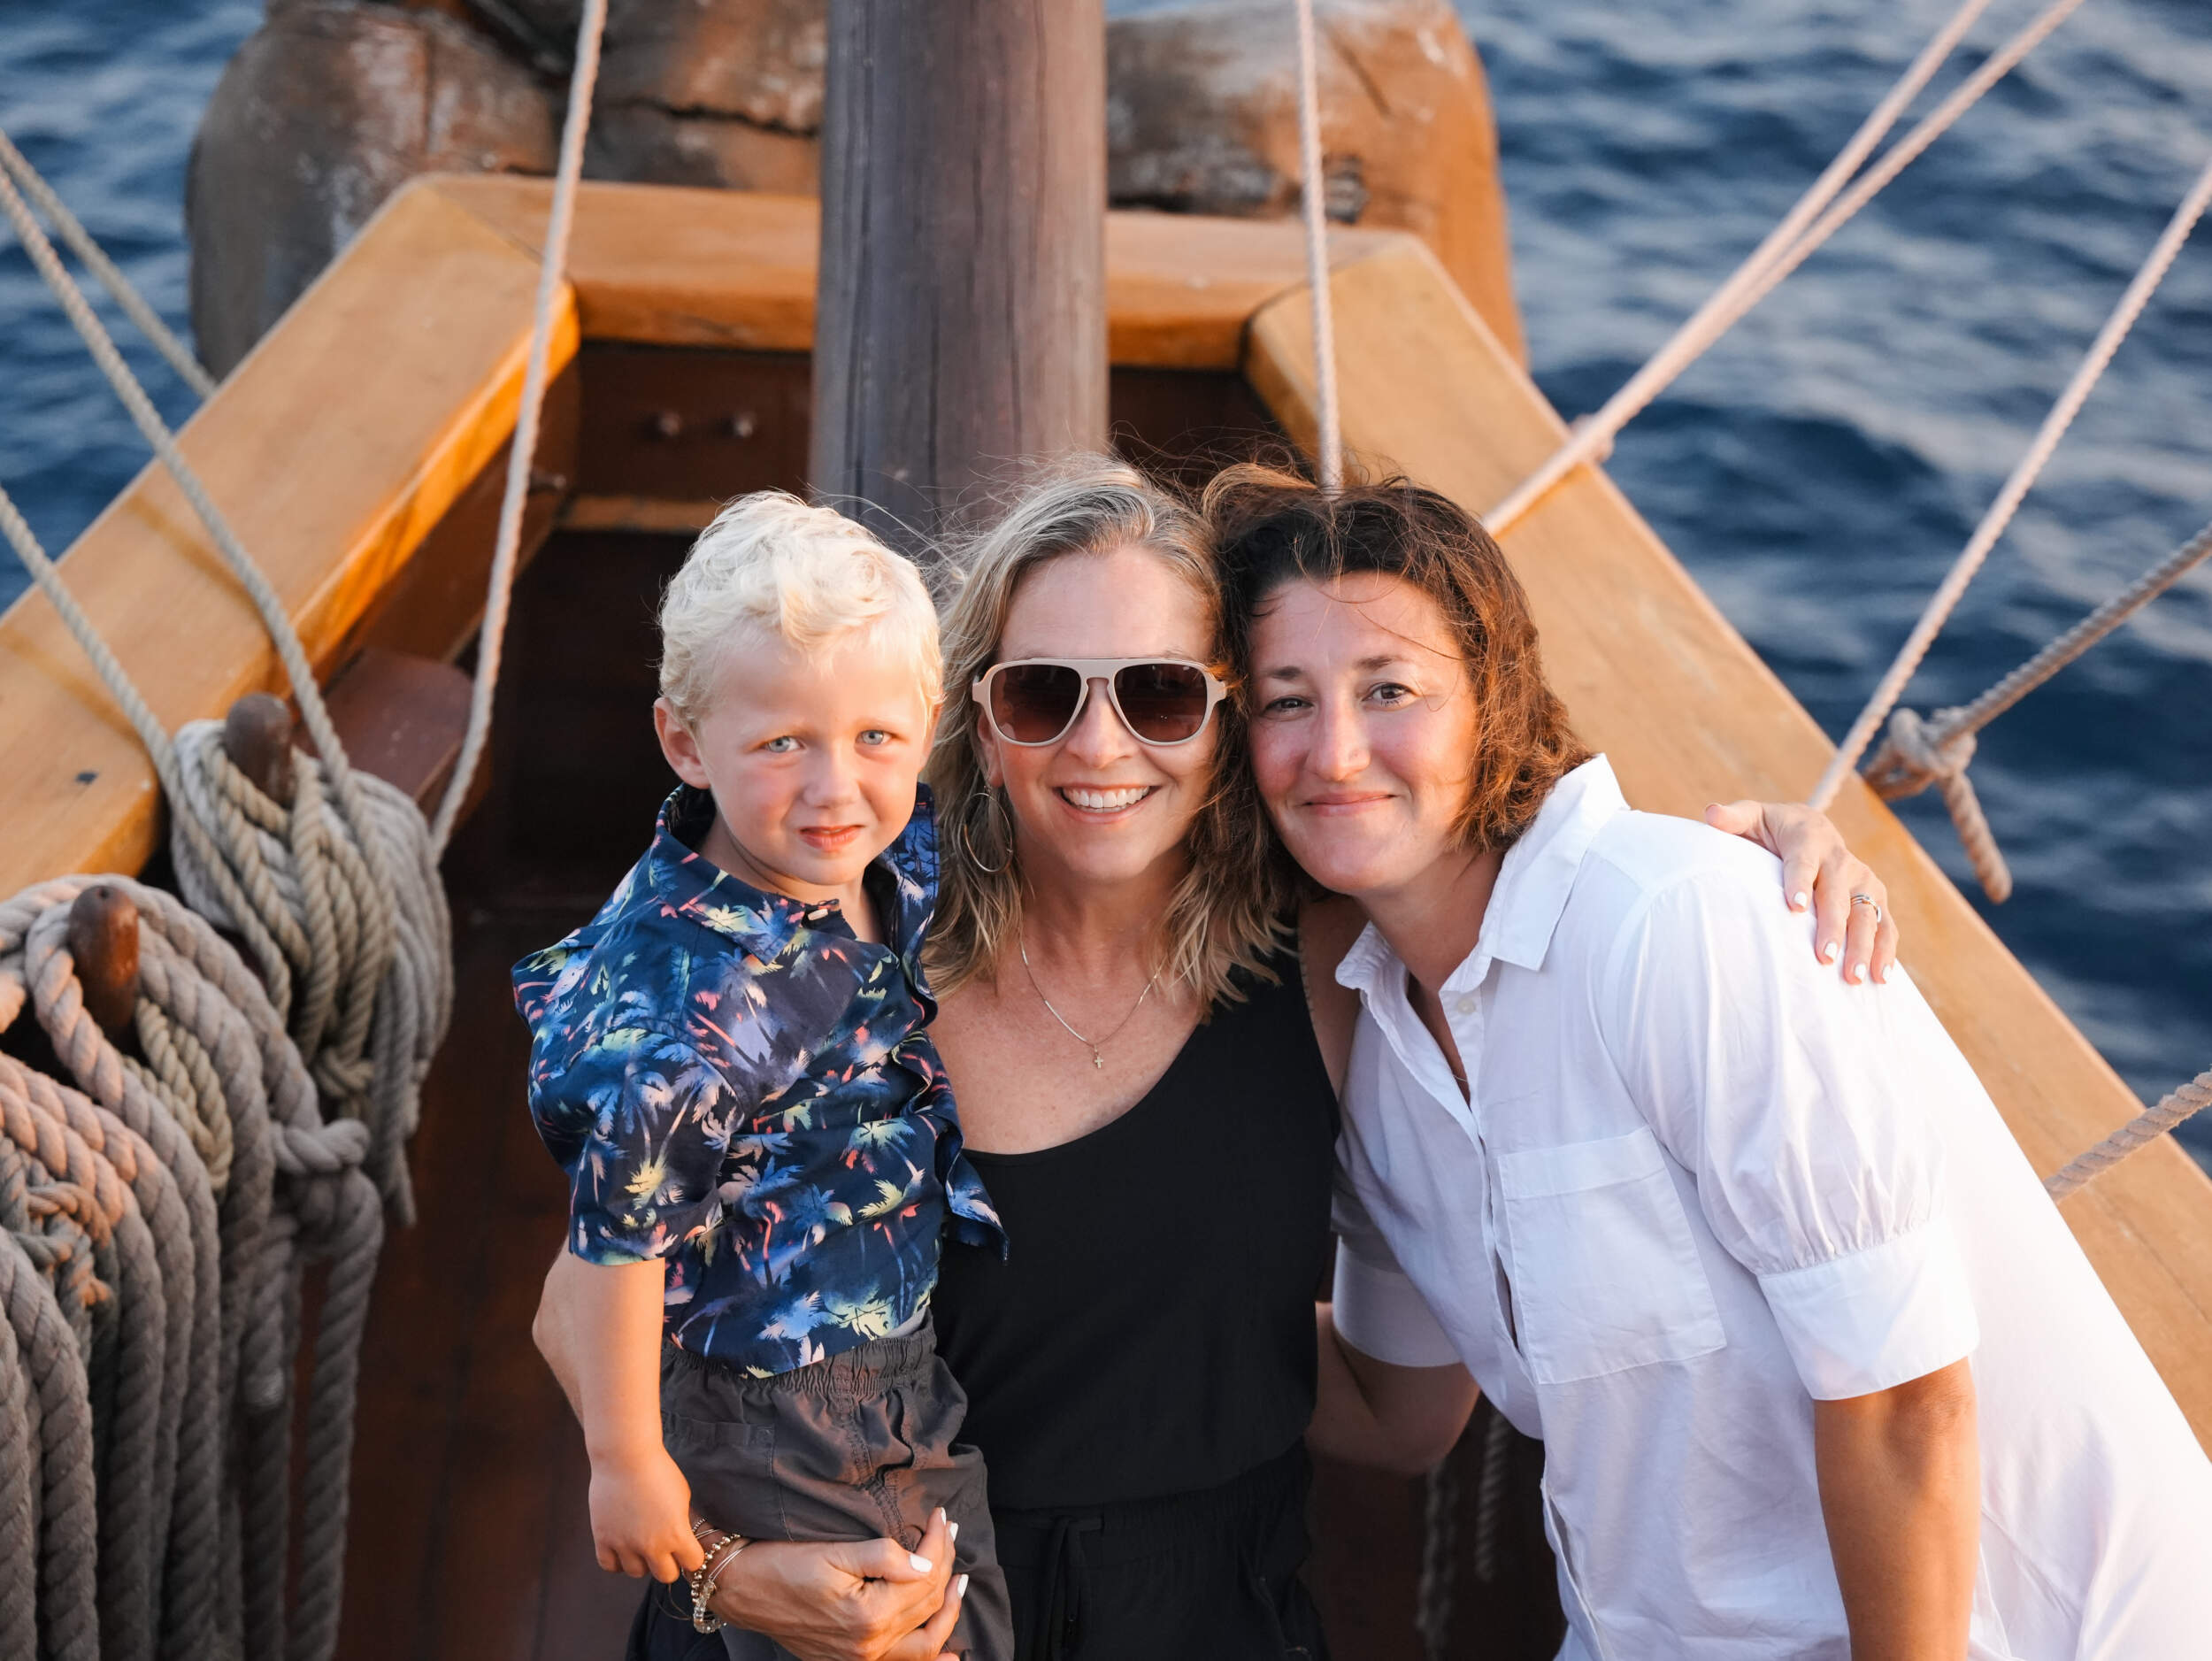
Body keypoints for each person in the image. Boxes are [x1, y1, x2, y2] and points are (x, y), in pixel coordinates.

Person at [535, 458, 1897, 1661]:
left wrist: (1757, 863)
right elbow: (582, 1301)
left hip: (1207, 1609)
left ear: (1233, 718)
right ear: (982, 723)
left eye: (1162, 692)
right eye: (1043, 694)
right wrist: (725, 1578)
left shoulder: (1330, 962)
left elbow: (1513, 865)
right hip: (874, 1609)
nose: (1101, 744)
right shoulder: (857, 948)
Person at [1210, 464, 2212, 1659]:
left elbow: (1904, 1403)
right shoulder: (1381, 1041)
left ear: (1494, 702)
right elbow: (1398, 1408)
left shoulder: (1677, 923)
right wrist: (1095, 1307)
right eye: (1286, 700)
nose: (1334, 751)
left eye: (1390, 689)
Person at [513, 493, 1012, 1659]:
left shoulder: (880, 856)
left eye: (876, 738)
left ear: (927, 728)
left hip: (879, 1354)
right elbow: (617, 1242)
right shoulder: (692, 1002)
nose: (836, 787)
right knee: (922, 1625)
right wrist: (627, 1461)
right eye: (783, 742)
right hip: (786, 1392)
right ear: (686, 743)